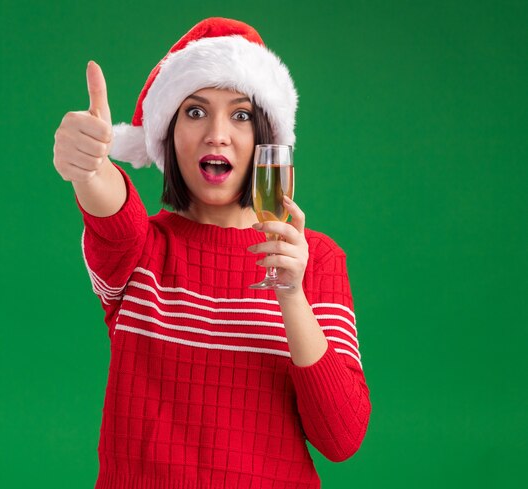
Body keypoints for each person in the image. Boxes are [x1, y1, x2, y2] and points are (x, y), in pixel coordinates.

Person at [53, 17, 371, 489]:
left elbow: (341, 438)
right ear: (168, 135)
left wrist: (292, 295)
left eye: (241, 115)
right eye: (196, 112)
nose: (217, 134)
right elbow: (111, 210)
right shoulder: (143, 251)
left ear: (267, 140)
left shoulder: (317, 259)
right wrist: (87, 167)